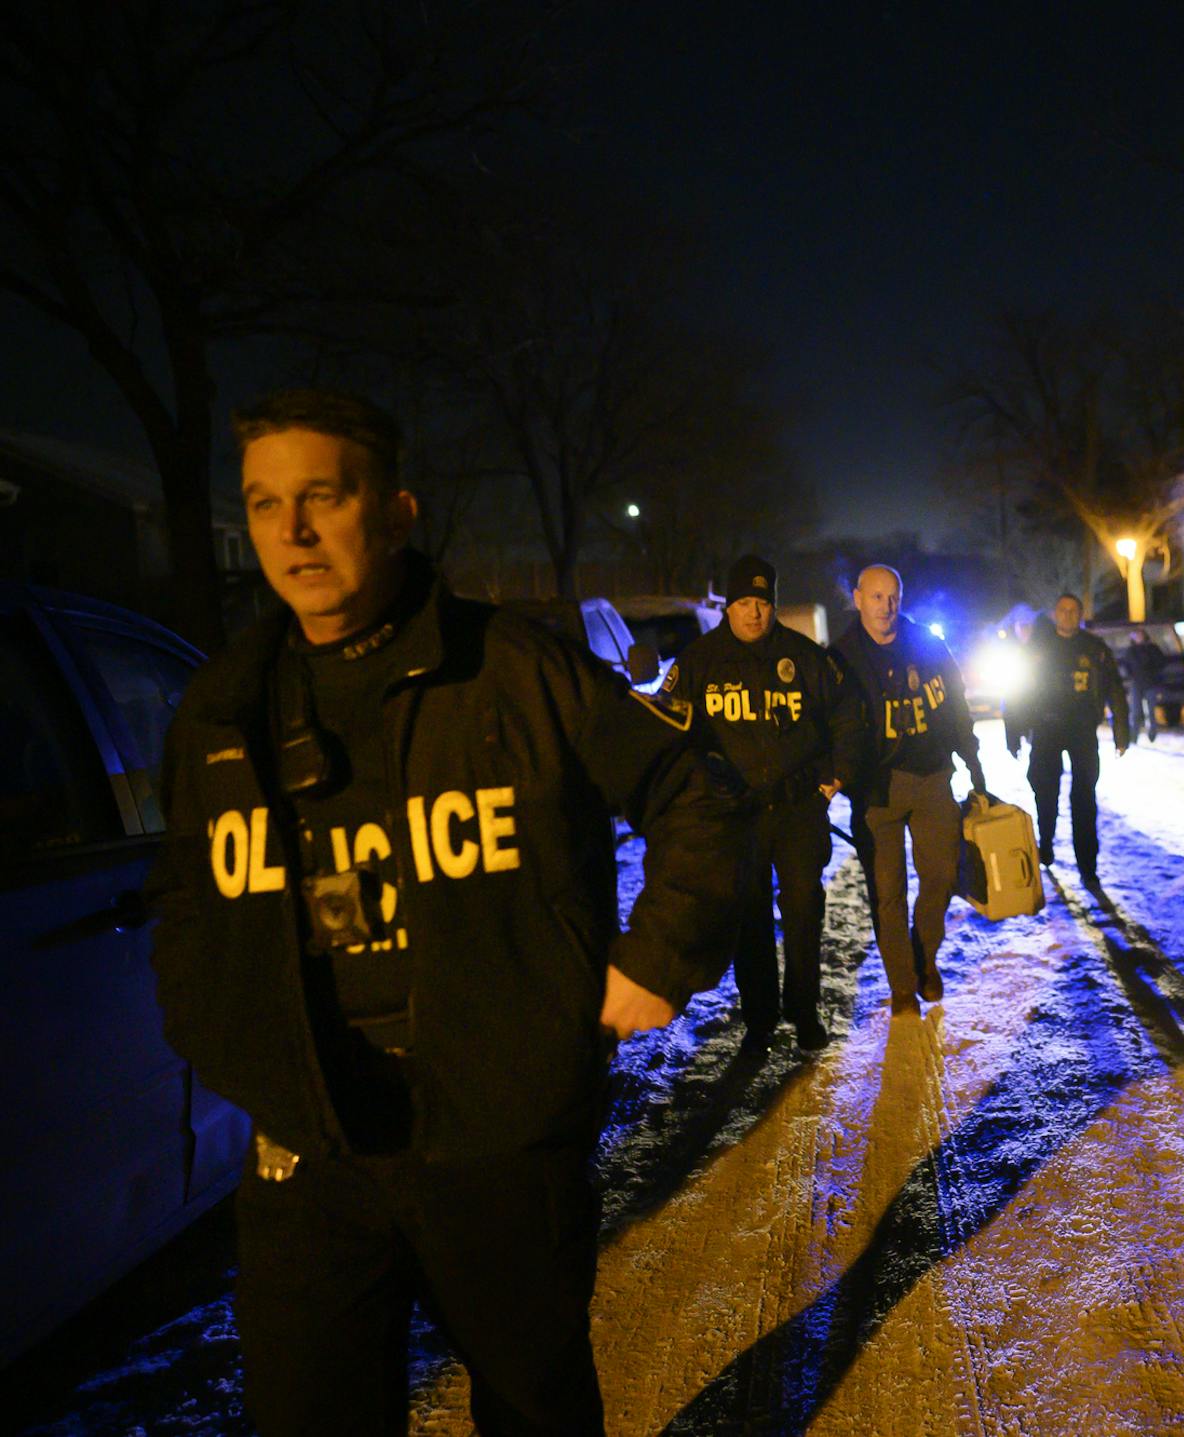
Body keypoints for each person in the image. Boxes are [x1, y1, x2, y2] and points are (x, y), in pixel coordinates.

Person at [147, 388, 747, 1435]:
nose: (292, 532)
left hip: (497, 1138)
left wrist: (656, 959)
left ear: (395, 512)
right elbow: (187, 908)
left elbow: (694, 789)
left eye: (323, 497)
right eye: (264, 504)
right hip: (312, 1153)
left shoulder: (513, 670)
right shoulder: (223, 708)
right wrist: (235, 1049)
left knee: (534, 1410)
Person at [661, 554, 862, 1051]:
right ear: (728, 607)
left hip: (798, 809)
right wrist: (694, 793)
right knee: (749, 918)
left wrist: (836, 776)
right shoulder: (699, 662)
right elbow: (669, 730)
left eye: (763, 603)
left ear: (773, 605)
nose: (754, 612)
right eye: (744, 603)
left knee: (803, 912)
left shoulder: (805, 657)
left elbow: (847, 715)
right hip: (738, 813)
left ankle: (804, 1010)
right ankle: (760, 1019)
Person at [831, 564, 986, 1016]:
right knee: (888, 892)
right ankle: (902, 984)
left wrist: (971, 758)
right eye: (876, 597)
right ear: (858, 598)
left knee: (940, 876)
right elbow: (828, 725)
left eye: (893, 597)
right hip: (876, 791)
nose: (887, 607)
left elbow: (955, 703)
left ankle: (925, 957)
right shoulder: (840, 657)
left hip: (932, 777)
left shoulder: (926, 644)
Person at [1003, 593, 1129, 886]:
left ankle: (1087, 866)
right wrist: (1013, 731)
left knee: (1084, 798)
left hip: (1083, 730)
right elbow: (1015, 690)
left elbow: (1115, 689)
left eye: (1073, 611)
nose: (1068, 615)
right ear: (1054, 614)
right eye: (1063, 610)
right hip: (1045, 728)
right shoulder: (1037, 647)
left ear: (1081, 614)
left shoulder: (1094, 649)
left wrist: (1121, 731)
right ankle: (1045, 843)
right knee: (1045, 792)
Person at [1118, 630, 1164, 742]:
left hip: (1150, 683)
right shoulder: (1131, 650)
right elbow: (1126, 665)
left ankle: (1152, 733)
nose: (1139, 638)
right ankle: (1134, 736)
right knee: (1135, 711)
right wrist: (1130, 677)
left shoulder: (1152, 648)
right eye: (1137, 636)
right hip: (1136, 684)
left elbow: (1160, 663)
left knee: (1151, 711)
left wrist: (1154, 675)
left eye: (1140, 635)